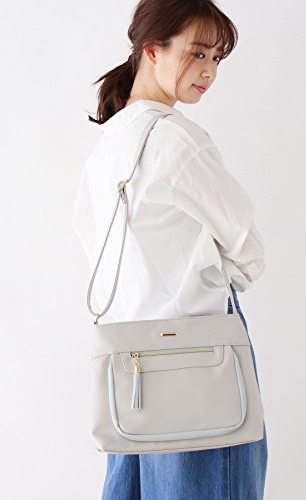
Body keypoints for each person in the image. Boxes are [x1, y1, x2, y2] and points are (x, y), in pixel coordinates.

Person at [71, 1, 268, 498]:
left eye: (217, 58)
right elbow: (248, 251)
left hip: (130, 369)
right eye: (197, 53)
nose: (209, 71)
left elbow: (96, 252)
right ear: (152, 49)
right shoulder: (175, 140)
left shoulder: (107, 146)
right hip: (199, 357)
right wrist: (205, 273)